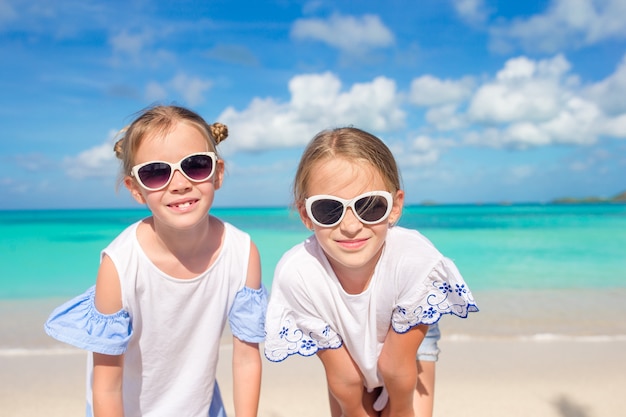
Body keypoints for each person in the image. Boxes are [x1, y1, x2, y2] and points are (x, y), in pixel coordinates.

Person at [45, 105, 267, 417]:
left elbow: (246, 359)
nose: (179, 184)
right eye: (156, 172)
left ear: (217, 173)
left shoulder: (242, 252)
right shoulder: (119, 265)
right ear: (135, 189)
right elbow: (107, 386)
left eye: (195, 165)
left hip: (201, 406)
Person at [264, 127, 478, 417]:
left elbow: (396, 367)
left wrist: (401, 409)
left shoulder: (415, 259)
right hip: (343, 345)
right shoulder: (298, 274)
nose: (351, 226)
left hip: (407, 339)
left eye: (369, 206)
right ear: (305, 215)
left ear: (394, 207)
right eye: (329, 209)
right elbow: (344, 378)